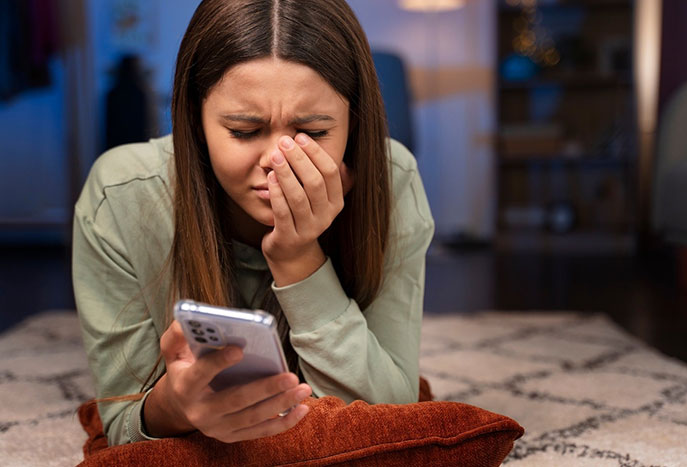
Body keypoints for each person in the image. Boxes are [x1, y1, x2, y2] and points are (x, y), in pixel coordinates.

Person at [73, 0, 434, 447]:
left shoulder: (390, 179)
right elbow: (123, 425)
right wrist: (173, 405)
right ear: (195, 119)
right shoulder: (123, 194)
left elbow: (392, 416)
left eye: (315, 132)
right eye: (244, 131)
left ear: (353, 122)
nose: (277, 162)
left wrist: (300, 257)